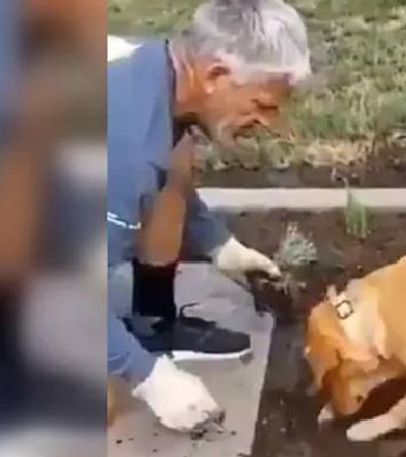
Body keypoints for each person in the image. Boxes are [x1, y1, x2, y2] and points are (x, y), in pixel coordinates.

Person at [107, 0, 311, 432]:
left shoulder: (151, 73)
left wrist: (220, 246)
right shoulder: (121, 148)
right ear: (216, 75)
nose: (270, 124)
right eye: (262, 105)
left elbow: (165, 173)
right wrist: (148, 377)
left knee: (178, 152)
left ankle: (151, 323)